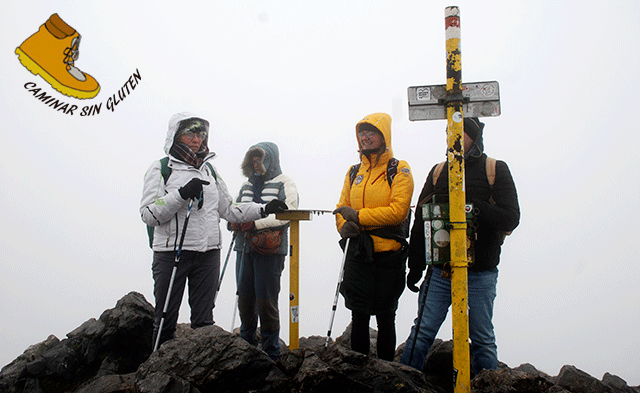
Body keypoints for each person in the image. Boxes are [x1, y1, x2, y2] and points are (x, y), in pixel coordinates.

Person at [140, 112, 287, 348]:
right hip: (170, 254)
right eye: (190, 133)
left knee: (204, 322)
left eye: (200, 134)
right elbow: (148, 213)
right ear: (176, 135)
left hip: (208, 254)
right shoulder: (161, 169)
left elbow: (229, 209)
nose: (196, 139)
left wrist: (264, 208)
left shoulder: (210, 170)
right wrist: (181, 195)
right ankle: (156, 373)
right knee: (166, 319)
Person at [400, 117, 520, 375]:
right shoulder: (438, 171)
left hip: (480, 272)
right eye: (448, 132)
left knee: (482, 341)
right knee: (422, 333)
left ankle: (485, 386)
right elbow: (421, 221)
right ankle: (404, 383)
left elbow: (512, 217)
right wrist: (416, 266)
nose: (451, 138)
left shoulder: (495, 169)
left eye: (458, 132)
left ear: (473, 137)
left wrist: (474, 206)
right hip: (440, 271)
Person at [333, 112, 414, 361]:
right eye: (362, 133)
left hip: (388, 254)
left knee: (385, 314)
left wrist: (357, 217)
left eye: (371, 133)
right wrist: (342, 227)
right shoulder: (353, 172)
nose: (365, 137)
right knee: (358, 313)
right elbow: (340, 208)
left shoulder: (399, 169)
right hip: (358, 252)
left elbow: (397, 212)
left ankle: (388, 371)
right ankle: (359, 371)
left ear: (384, 136)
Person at [230, 142, 298, 360]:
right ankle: (246, 347)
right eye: (253, 159)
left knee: (266, 300)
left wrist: (255, 225)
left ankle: (271, 353)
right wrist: (233, 223)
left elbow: (289, 212)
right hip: (244, 248)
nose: (256, 164)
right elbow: (234, 210)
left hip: (270, 250)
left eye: (259, 159)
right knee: (245, 297)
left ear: (271, 159)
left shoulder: (284, 182)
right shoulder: (246, 186)